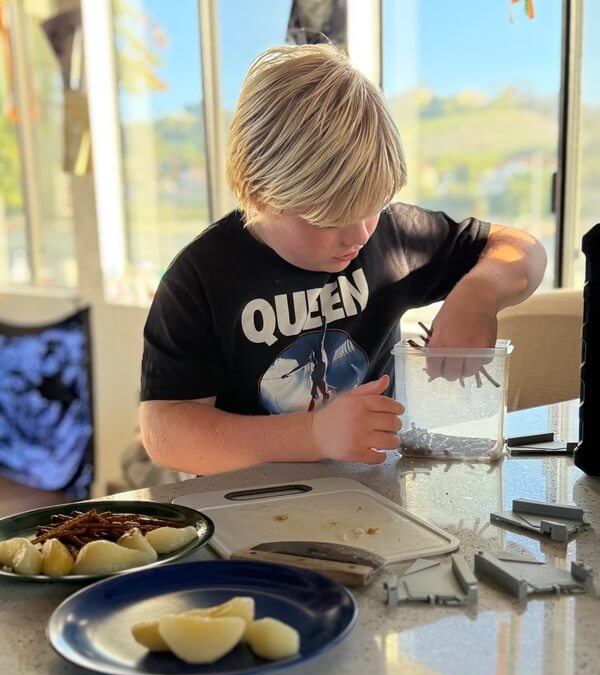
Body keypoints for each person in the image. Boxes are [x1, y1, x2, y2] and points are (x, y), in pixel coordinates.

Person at [140, 44, 546, 476]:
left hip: (374, 494)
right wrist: (313, 435)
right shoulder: (201, 278)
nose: (358, 236)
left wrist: (479, 292)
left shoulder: (391, 236)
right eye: (329, 219)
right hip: (248, 508)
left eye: (371, 208)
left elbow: (522, 248)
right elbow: (166, 433)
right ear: (261, 195)